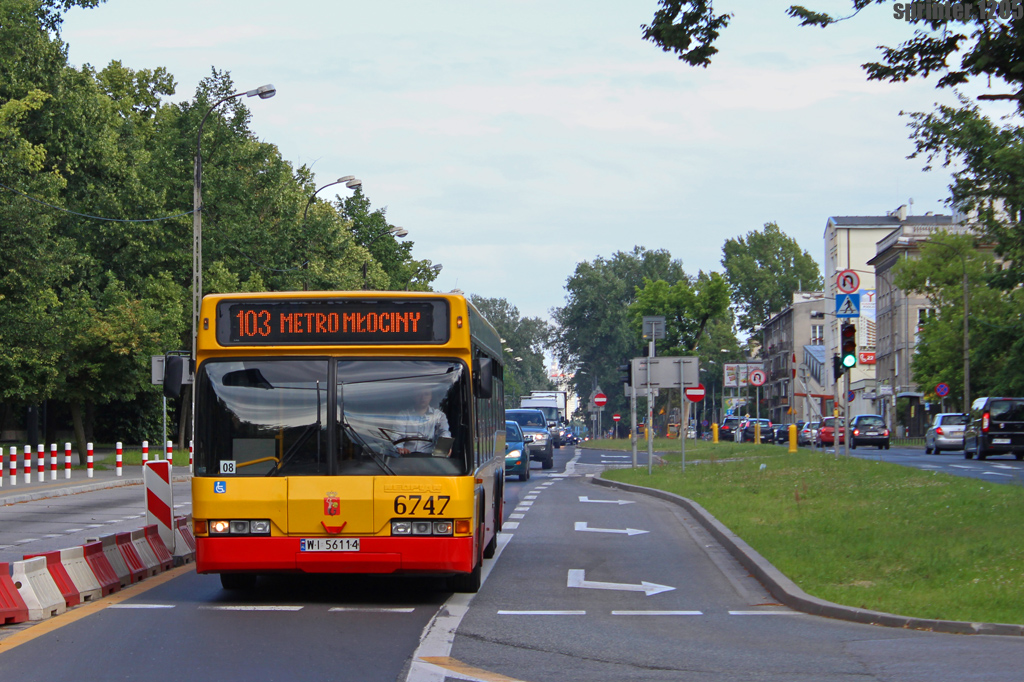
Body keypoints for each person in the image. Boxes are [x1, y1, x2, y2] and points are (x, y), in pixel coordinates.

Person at [394, 386, 451, 455]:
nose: (423, 397)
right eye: (419, 394)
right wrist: (400, 449)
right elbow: (397, 435)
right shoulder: (403, 415)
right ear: (414, 396)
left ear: (431, 396)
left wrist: (444, 447)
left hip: (430, 459)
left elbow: (444, 432)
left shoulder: (439, 416)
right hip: (407, 457)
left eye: (426, 394)